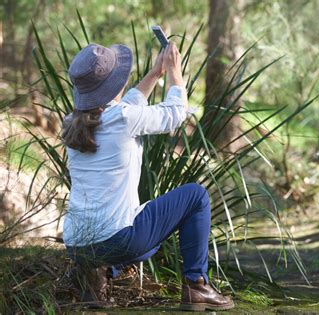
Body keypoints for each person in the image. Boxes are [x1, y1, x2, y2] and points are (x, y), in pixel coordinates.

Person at [61, 41, 234, 311]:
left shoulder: (72, 122)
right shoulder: (123, 118)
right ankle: (197, 285)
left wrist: (155, 73)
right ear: (112, 85)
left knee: (145, 242)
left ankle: (95, 278)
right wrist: (175, 72)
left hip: (77, 245)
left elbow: (125, 107)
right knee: (196, 196)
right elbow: (176, 114)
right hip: (117, 240)